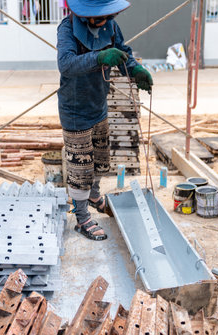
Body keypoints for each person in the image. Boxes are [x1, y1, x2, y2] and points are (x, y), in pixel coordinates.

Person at [57, 0, 153, 240]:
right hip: (75, 109)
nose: (105, 20)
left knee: (100, 158)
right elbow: (66, 64)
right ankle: (81, 218)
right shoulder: (67, 28)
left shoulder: (112, 27)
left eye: (108, 15)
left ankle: (94, 195)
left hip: (99, 105)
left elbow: (123, 54)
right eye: (99, 16)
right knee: (81, 167)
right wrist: (99, 58)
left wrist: (135, 70)